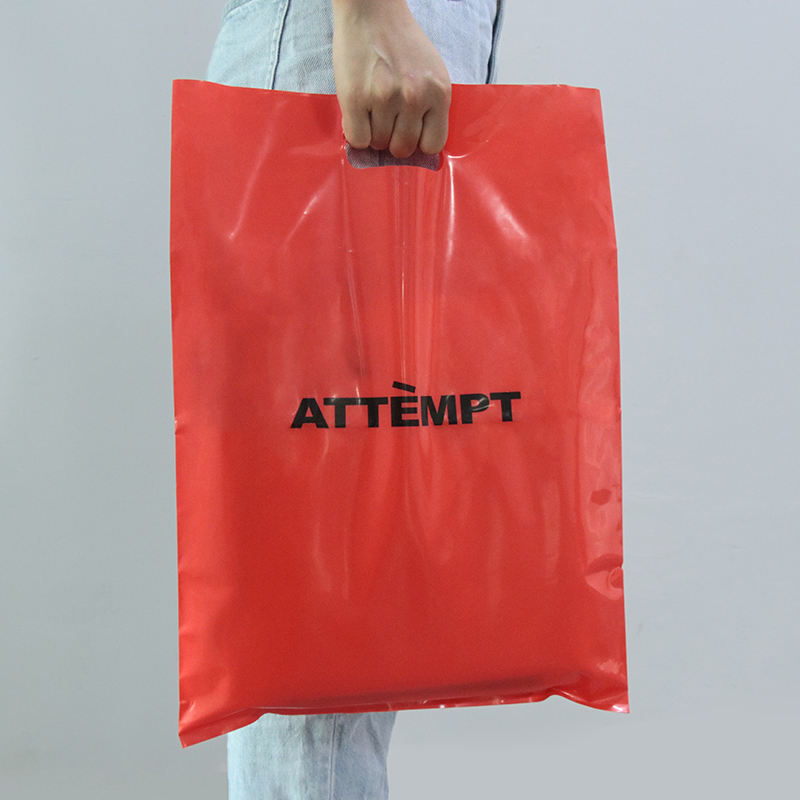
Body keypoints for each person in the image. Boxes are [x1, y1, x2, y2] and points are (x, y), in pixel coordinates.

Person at [204, 1, 504, 797]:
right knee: (316, 652)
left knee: (348, 641)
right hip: (352, 35)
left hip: (415, 40)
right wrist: (370, 13)